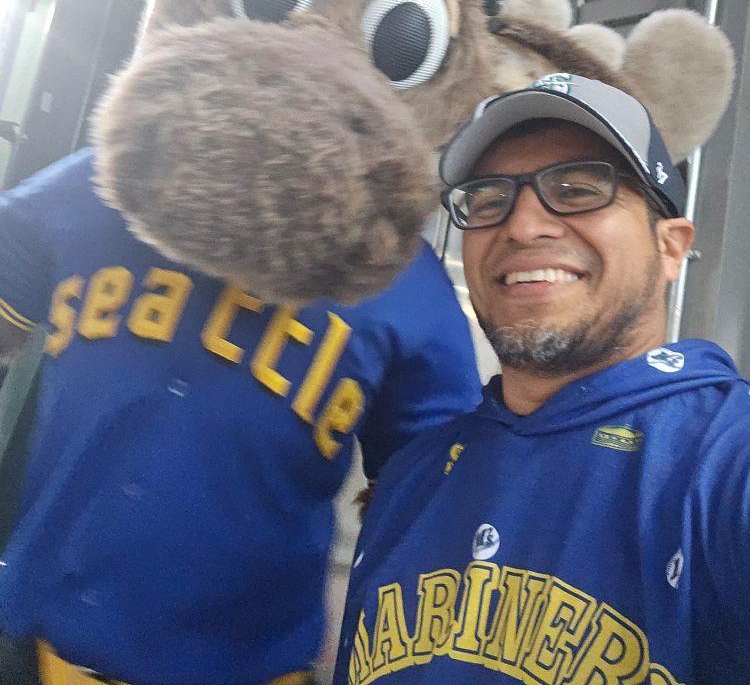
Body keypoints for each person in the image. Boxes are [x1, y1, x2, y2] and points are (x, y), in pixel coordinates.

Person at [0, 147, 481, 685]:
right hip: (31, 649)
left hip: (249, 665)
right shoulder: (109, 175)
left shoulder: (404, 275)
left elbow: (446, 500)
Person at [334, 72, 750, 685]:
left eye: (578, 189)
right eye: (488, 200)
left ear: (670, 248)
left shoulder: (723, 464)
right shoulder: (410, 480)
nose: (523, 226)